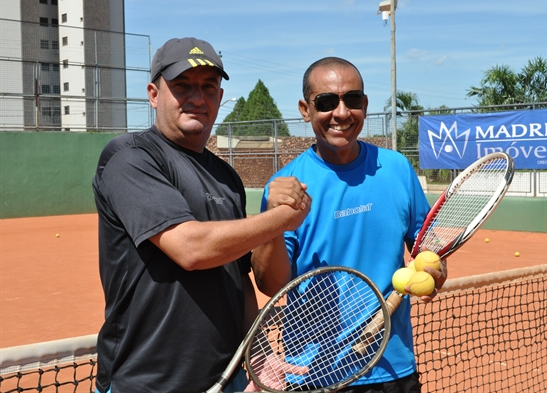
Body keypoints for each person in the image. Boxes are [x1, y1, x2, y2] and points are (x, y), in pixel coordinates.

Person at [92, 37, 310, 393]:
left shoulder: (227, 178)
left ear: (220, 99)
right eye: (182, 86)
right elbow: (191, 249)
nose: (197, 97)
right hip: (143, 383)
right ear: (153, 94)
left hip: (224, 380)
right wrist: (283, 218)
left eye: (209, 87)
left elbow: (239, 283)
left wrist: (258, 352)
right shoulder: (130, 157)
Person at [259, 57, 447, 392]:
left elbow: (426, 244)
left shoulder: (397, 168)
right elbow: (271, 284)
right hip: (311, 375)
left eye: (353, 100)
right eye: (327, 102)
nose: (342, 113)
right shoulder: (285, 184)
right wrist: (273, 223)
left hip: (392, 368)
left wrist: (435, 270)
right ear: (305, 109)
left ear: (365, 105)